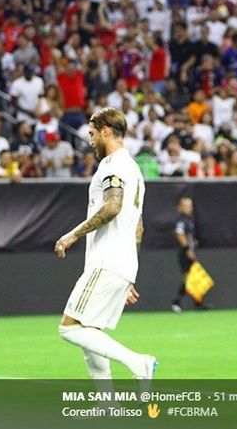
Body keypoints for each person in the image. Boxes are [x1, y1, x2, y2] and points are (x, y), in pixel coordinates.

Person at [54, 107, 156, 384]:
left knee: (70, 328)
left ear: (106, 131)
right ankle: (107, 405)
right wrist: (127, 275)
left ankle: (139, 363)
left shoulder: (112, 165)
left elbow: (112, 207)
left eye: (91, 134)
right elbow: (138, 226)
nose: (89, 140)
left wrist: (72, 235)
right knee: (89, 329)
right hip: (120, 264)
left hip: (107, 261)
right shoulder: (133, 169)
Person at [170, 196, 210, 312]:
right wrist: (187, 248)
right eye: (186, 205)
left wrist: (193, 242)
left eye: (190, 205)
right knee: (189, 278)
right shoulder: (181, 220)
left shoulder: (189, 220)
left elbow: (187, 235)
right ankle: (176, 302)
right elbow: (179, 233)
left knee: (195, 278)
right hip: (185, 253)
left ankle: (198, 303)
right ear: (180, 207)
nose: (189, 208)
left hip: (190, 251)